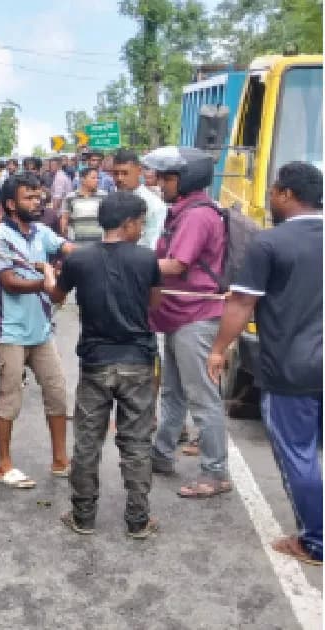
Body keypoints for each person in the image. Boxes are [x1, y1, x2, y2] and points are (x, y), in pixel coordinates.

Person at [208, 162, 323, 564]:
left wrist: (220, 348)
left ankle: (316, 542)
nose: (272, 197)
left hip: (293, 367)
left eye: (275, 190)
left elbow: (241, 303)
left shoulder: (271, 243)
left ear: (287, 194)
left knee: (298, 452)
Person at [42, 193, 162, 539]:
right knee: (137, 442)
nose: (141, 229)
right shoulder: (146, 259)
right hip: (138, 362)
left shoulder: (80, 259)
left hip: (96, 363)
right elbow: (154, 303)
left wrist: (50, 275)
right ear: (128, 224)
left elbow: (56, 296)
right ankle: (138, 521)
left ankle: (83, 517)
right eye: (140, 222)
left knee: (87, 441)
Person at [142, 146, 232, 497]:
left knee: (202, 397)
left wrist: (132, 262)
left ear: (185, 179)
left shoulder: (197, 216)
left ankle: (215, 472)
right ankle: (162, 454)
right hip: (178, 315)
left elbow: (177, 264)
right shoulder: (181, 212)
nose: (161, 184)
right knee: (173, 391)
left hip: (196, 317)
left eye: (166, 178)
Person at [0, 173, 77, 489]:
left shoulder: (40, 232)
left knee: (57, 393)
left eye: (39, 196)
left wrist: (91, 259)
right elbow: (9, 282)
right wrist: (50, 283)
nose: (37, 202)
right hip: (11, 332)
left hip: (42, 330)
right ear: (11, 204)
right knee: (9, 399)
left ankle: (60, 460)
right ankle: (3, 465)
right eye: (29, 197)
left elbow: (66, 247)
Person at [112, 149, 167, 249]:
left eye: (125, 173)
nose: (119, 178)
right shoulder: (111, 202)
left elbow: (153, 243)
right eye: (116, 173)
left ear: (139, 171)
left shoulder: (153, 204)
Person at [61, 167, 107, 242]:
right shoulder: (71, 197)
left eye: (98, 178)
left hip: (99, 241)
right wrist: (65, 237)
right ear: (83, 180)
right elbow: (65, 218)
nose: (97, 181)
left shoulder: (104, 196)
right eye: (93, 178)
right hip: (76, 241)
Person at [48, 157, 74, 231]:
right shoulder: (62, 176)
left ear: (59, 166)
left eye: (53, 165)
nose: (51, 167)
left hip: (61, 212)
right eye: (50, 165)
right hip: (64, 210)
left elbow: (58, 198)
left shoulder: (60, 177)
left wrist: (53, 214)